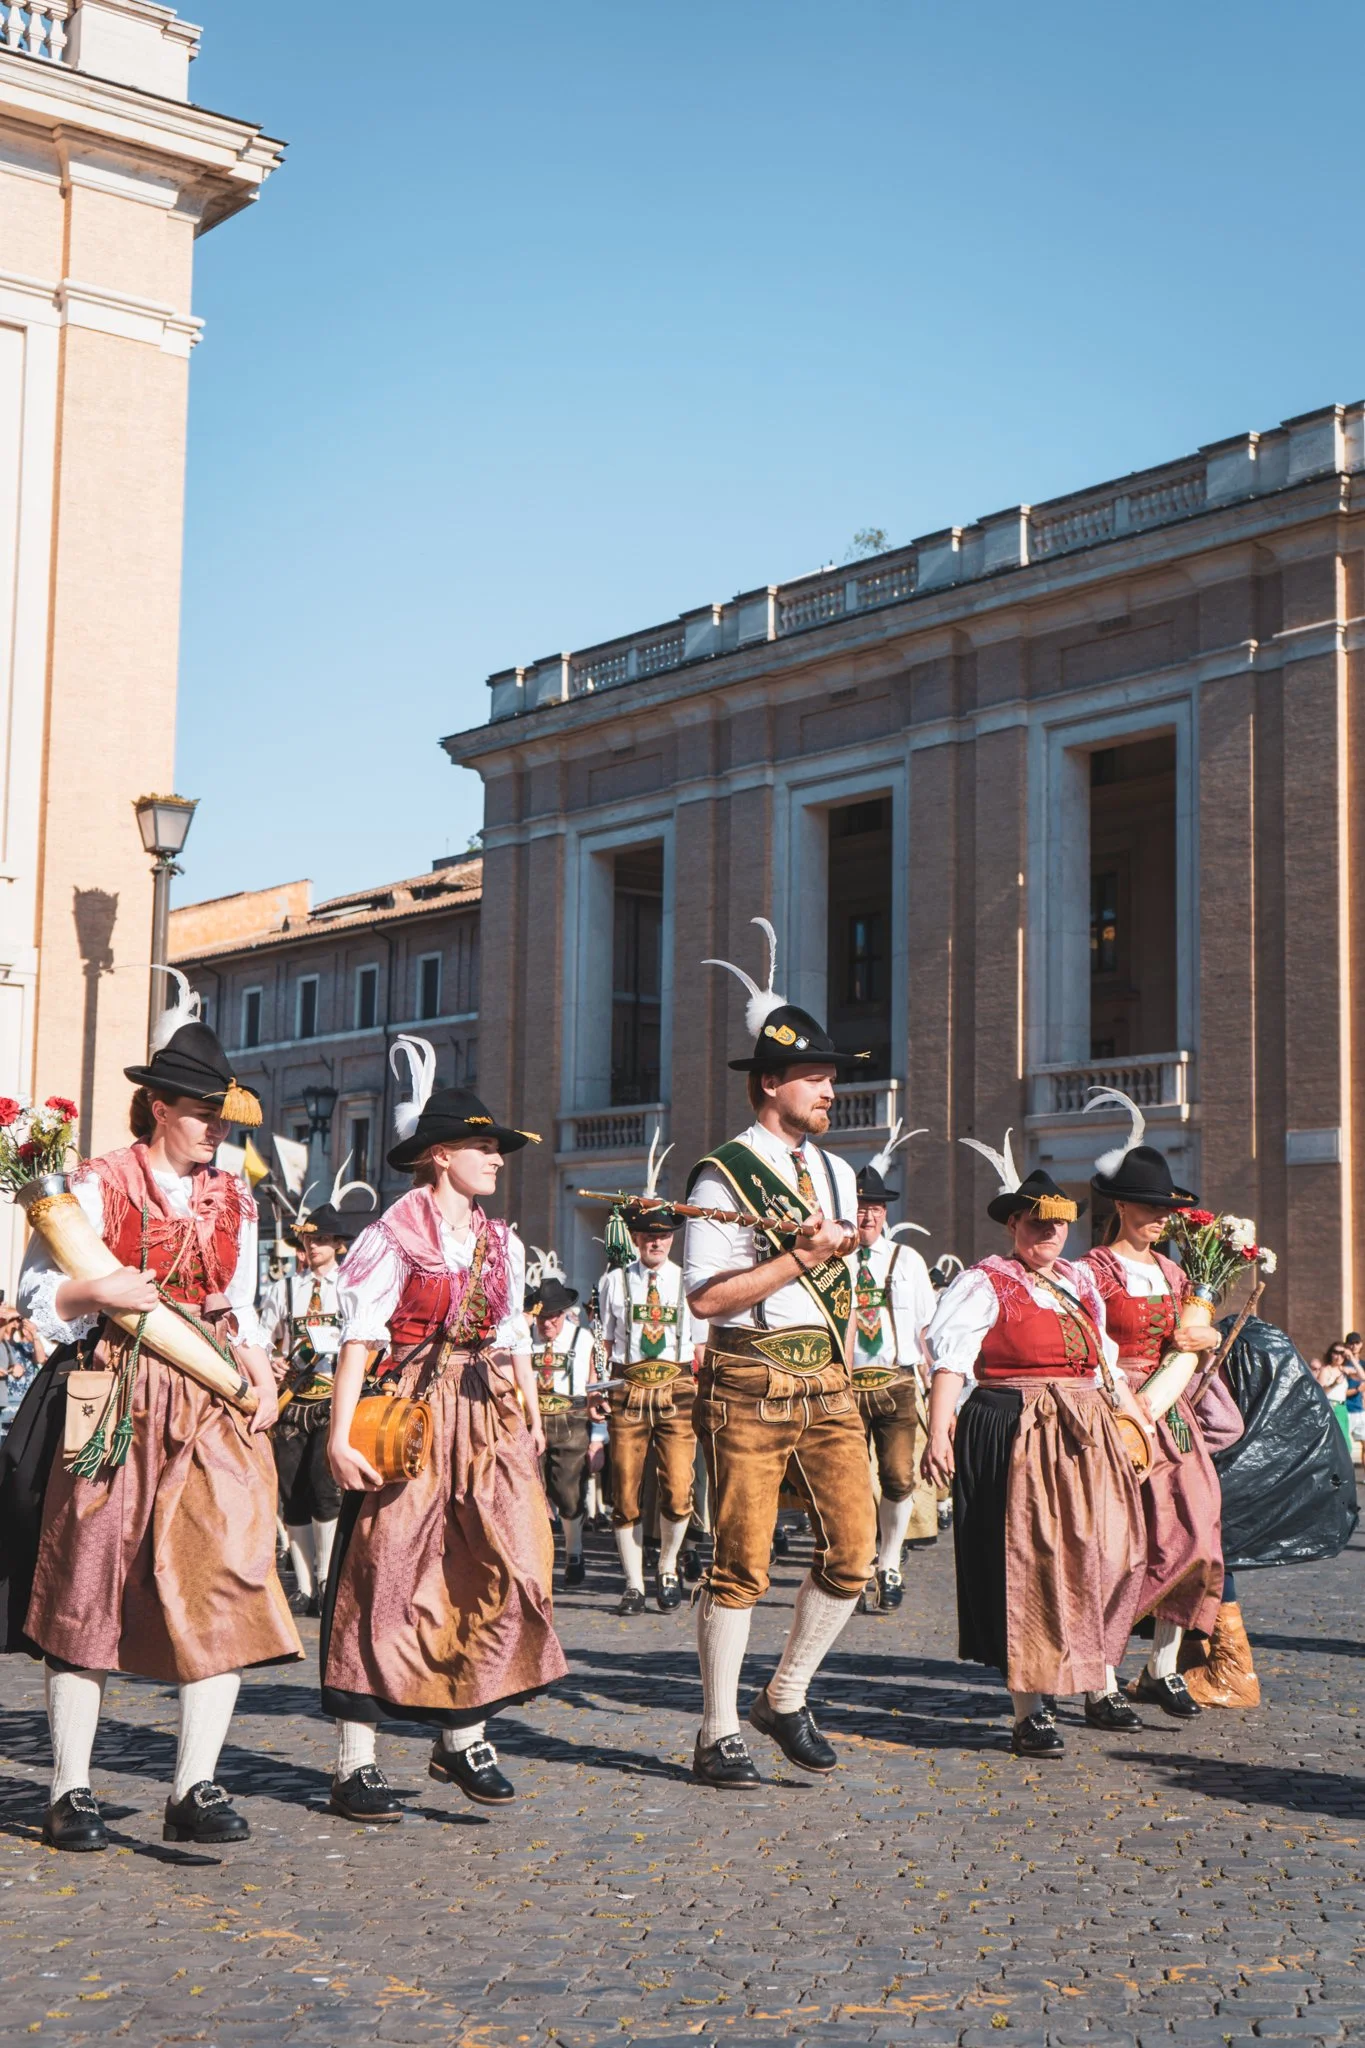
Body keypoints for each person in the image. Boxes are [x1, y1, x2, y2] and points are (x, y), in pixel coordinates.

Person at [11, 985, 299, 1851]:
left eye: (225, 1114)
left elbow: (239, 1305)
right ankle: (70, 1790)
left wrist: (253, 1356)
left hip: (209, 1402)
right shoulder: (94, 1184)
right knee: (87, 1582)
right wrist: (98, 1287)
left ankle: (196, 1786)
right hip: (114, 1395)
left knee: (228, 1574)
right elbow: (35, 1299)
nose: (218, 1128)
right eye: (204, 1112)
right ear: (160, 1107)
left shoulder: (237, 1199)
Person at [320, 1038, 567, 1824]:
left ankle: (463, 1734)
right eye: (481, 1146)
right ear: (438, 1157)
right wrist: (339, 1435)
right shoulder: (390, 1237)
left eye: (496, 1147)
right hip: (412, 1419)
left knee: (503, 1567)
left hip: (486, 1417)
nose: (495, 1159)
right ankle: (355, 1763)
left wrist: (527, 1413)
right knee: (385, 1579)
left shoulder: (500, 1240)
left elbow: (513, 1336)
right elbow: (358, 1340)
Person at [682, 918, 873, 1788]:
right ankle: (717, 1729)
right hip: (750, 1378)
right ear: (771, 1084)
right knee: (742, 1562)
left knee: (854, 1553)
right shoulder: (719, 1174)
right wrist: (797, 1255)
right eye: (816, 1077)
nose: (830, 1091)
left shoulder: (836, 1174)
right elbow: (707, 1299)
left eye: (832, 1078)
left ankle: (785, 1694)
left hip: (827, 1376)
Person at [923, 1136, 1149, 1758]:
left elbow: (1105, 1360)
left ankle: (1098, 1682)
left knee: (1110, 1551)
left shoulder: (1080, 1279)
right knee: (1033, 1561)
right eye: (1035, 1222)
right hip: (1015, 1424)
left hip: (1086, 1426)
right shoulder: (984, 1282)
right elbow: (951, 1362)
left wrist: (1138, 1419)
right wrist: (940, 1430)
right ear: (1015, 1223)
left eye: (1057, 1223)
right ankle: (1030, 1710)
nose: (1047, 1232)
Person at [1077, 1093, 1231, 1719]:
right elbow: (1083, 1345)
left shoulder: (1174, 1275)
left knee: (1198, 1532)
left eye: (1167, 1209)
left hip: (1173, 1414)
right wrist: (1119, 1398)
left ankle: (1163, 1666)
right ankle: (1100, 1679)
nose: (1160, 1218)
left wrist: (1208, 1336)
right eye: (1149, 1207)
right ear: (1119, 1207)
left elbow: (1194, 1344)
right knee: (1117, 1548)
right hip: (1116, 1412)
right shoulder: (1092, 1270)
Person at [259, 1169, 377, 1617]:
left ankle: (328, 1579)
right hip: (293, 1402)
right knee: (292, 1494)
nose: (314, 1248)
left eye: (323, 1240)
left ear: (339, 1245)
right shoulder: (283, 1288)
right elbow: (263, 1336)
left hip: (332, 1401)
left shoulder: (351, 1288)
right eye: (309, 1240)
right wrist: (271, 1359)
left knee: (326, 1489)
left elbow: (371, 1341)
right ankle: (304, 1585)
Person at [599, 1132, 707, 1615]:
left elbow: (702, 1346)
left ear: (671, 1238)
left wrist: (704, 1391)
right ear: (636, 1239)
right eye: (648, 1235)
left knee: (680, 1487)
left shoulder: (689, 1279)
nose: (656, 1242)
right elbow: (604, 1341)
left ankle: (665, 1568)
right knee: (623, 1487)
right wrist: (598, 1393)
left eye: (663, 1235)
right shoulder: (612, 1281)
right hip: (627, 1386)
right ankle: (632, 1583)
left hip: (680, 1385)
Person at [847, 1124, 939, 1614]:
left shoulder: (908, 1261)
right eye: (861, 1207)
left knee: (899, 1477)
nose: (868, 1215)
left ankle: (889, 1562)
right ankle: (860, 1561)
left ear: (885, 1214)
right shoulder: (834, 1264)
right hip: (846, 1384)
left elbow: (927, 1328)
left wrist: (933, 1381)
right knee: (852, 1481)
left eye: (875, 1208)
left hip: (898, 1381)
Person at [525, 1253, 603, 1586]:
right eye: (542, 1317)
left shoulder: (582, 1339)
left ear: (564, 1314)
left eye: (553, 1317)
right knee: (530, 1494)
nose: (547, 1325)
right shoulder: (523, 1341)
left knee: (570, 1494)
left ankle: (574, 1552)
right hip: (532, 1421)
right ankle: (537, 1560)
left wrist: (599, 1436)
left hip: (572, 1422)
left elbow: (596, 1389)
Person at [1314, 1343, 1352, 1443]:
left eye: (1342, 1353)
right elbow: (1319, 1392)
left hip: (1342, 1408)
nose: (1339, 1356)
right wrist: (1334, 1384)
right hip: (1332, 1407)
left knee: (1345, 1442)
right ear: (1330, 1354)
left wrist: (1351, 1357)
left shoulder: (1343, 1369)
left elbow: (1363, 1376)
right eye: (1336, 1352)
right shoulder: (1325, 1370)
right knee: (1342, 1443)